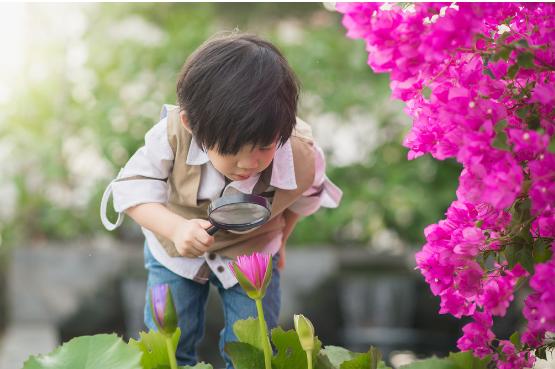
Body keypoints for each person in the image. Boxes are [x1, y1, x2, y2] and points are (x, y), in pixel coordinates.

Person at [100, 32, 342, 369]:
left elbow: (302, 200)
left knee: (252, 350)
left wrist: (282, 240)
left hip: (254, 251)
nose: (249, 163)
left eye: (264, 147)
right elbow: (131, 191)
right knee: (169, 346)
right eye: (230, 150)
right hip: (174, 253)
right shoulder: (172, 135)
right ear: (192, 124)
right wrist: (175, 229)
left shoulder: (302, 155)